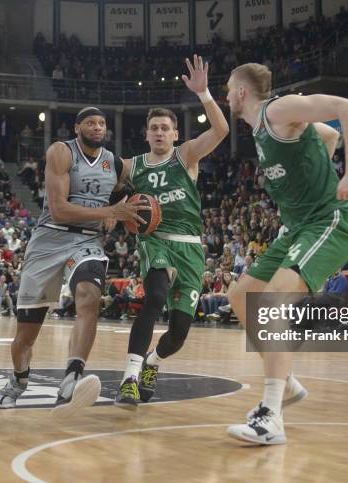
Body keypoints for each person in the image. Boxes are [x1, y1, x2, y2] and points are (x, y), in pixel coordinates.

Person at [224, 63, 348, 445]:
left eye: (228, 89)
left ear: (241, 93)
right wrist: (318, 167)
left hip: (327, 221)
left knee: (272, 303)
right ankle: (285, 382)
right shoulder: (263, 130)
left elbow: (347, 109)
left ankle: (270, 417)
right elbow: (328, 134)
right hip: (296, 228)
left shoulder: (276, 111)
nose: (226, 95)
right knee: (239, 297)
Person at [0, 106, 150, 417]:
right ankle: (19, 380)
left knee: (90, 298)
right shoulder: (61, 152)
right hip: (49, 239)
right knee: (26, 334)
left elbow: (138, 184)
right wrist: (109, 212)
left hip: (87, 242)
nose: (98, 127)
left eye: (102, 123)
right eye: (91, 123)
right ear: (77, 127)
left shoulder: (114, 163)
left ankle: (72, 376)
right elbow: (59, 209)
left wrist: (120, 204)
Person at [115, 55, 229, 409]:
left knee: (179, 333)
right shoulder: (131, 166)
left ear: (175, 133)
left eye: (165, 128)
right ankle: (130, 378)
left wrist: (205, 93)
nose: (160, 132)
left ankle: (153, 362)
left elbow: (222, 130)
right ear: (146, 133)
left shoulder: (186, 156)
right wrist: (116, 211)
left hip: (191, 248)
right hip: (156, 242)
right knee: (155, 296)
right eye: (154, 128)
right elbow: (109, 194)